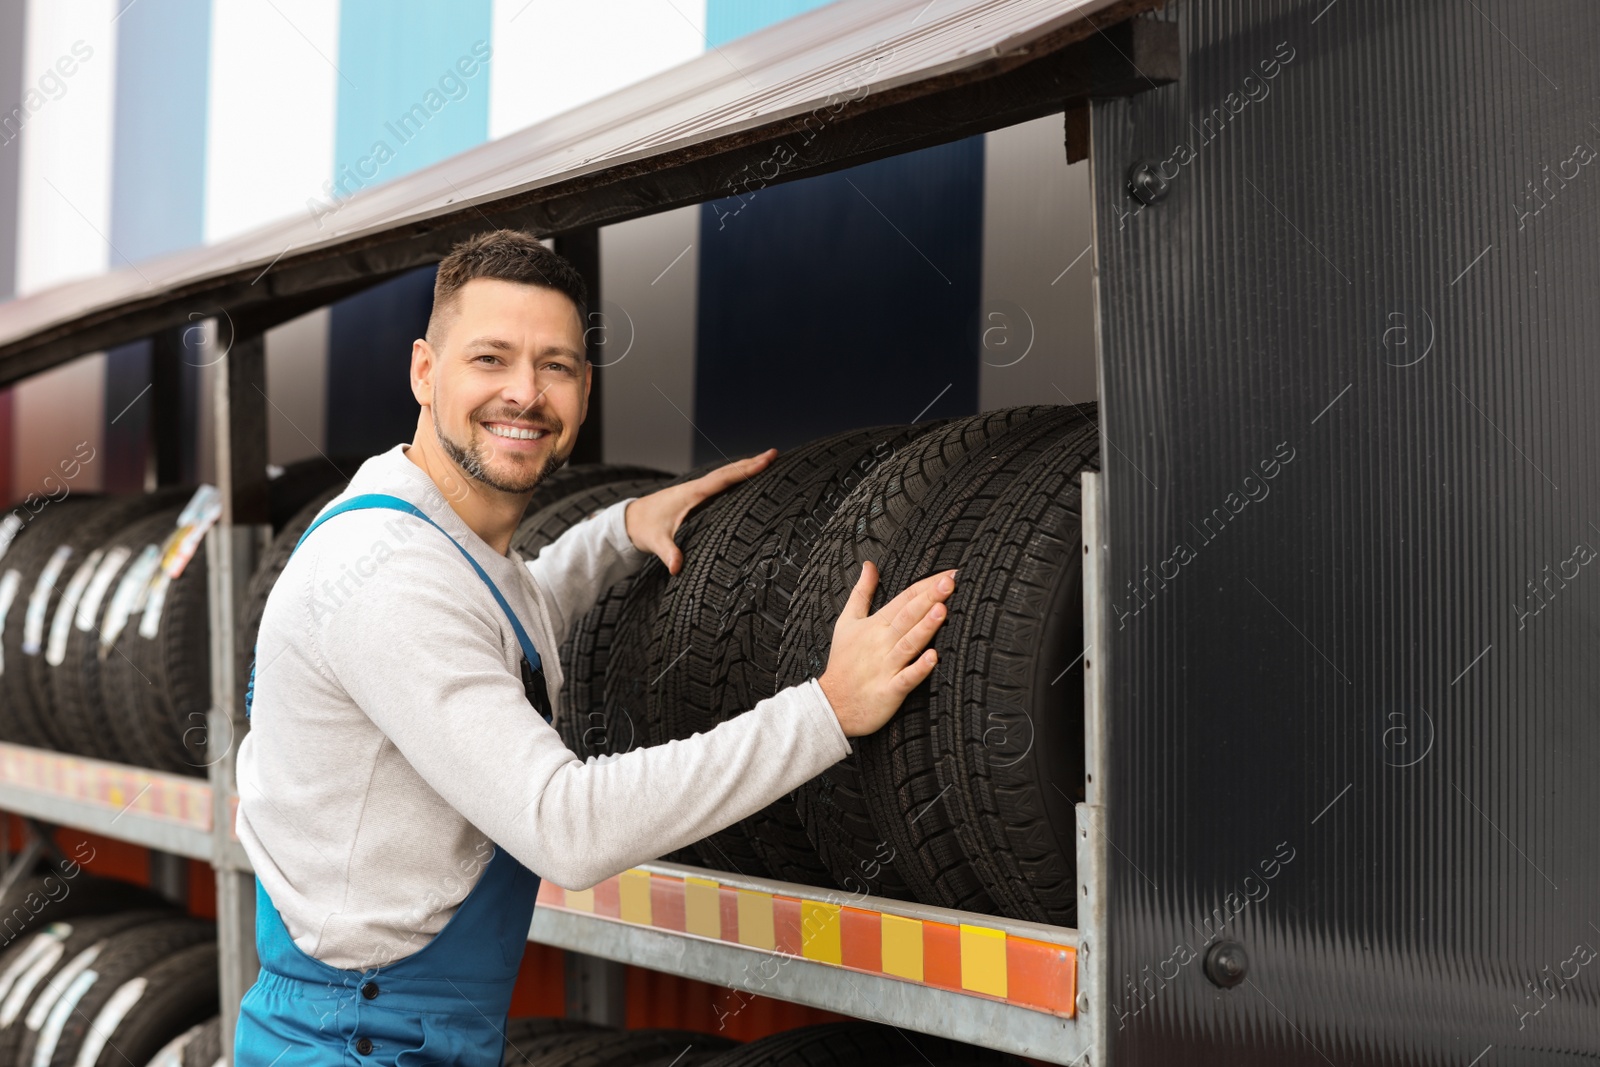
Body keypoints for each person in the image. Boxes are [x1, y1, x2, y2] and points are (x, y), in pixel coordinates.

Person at [233, 229, 956, 1065]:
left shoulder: (424, 529)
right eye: (491, 359)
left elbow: (502, 609)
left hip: (392, 1030)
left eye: (557, 366)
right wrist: (826, 711)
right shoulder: (389, 579)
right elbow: (566, 828)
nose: (525, 394)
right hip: (354, 1042)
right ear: (425, 372)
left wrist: (618, 528)